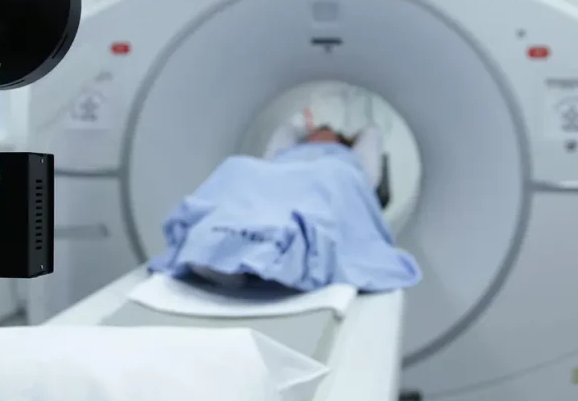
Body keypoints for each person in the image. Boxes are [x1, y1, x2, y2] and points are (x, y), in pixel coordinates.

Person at [149, 121, 421, 293]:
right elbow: (288, 130)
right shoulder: (286, 153)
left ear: (342, 141)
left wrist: (353, 141)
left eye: (326, 133)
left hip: (326, 175)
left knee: (314, 201)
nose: (319, 134)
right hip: (278, 174)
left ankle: (247, 257)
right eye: (314, 132)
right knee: (238, 168)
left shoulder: (346, 160)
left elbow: (371, 135)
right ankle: (219, 249)